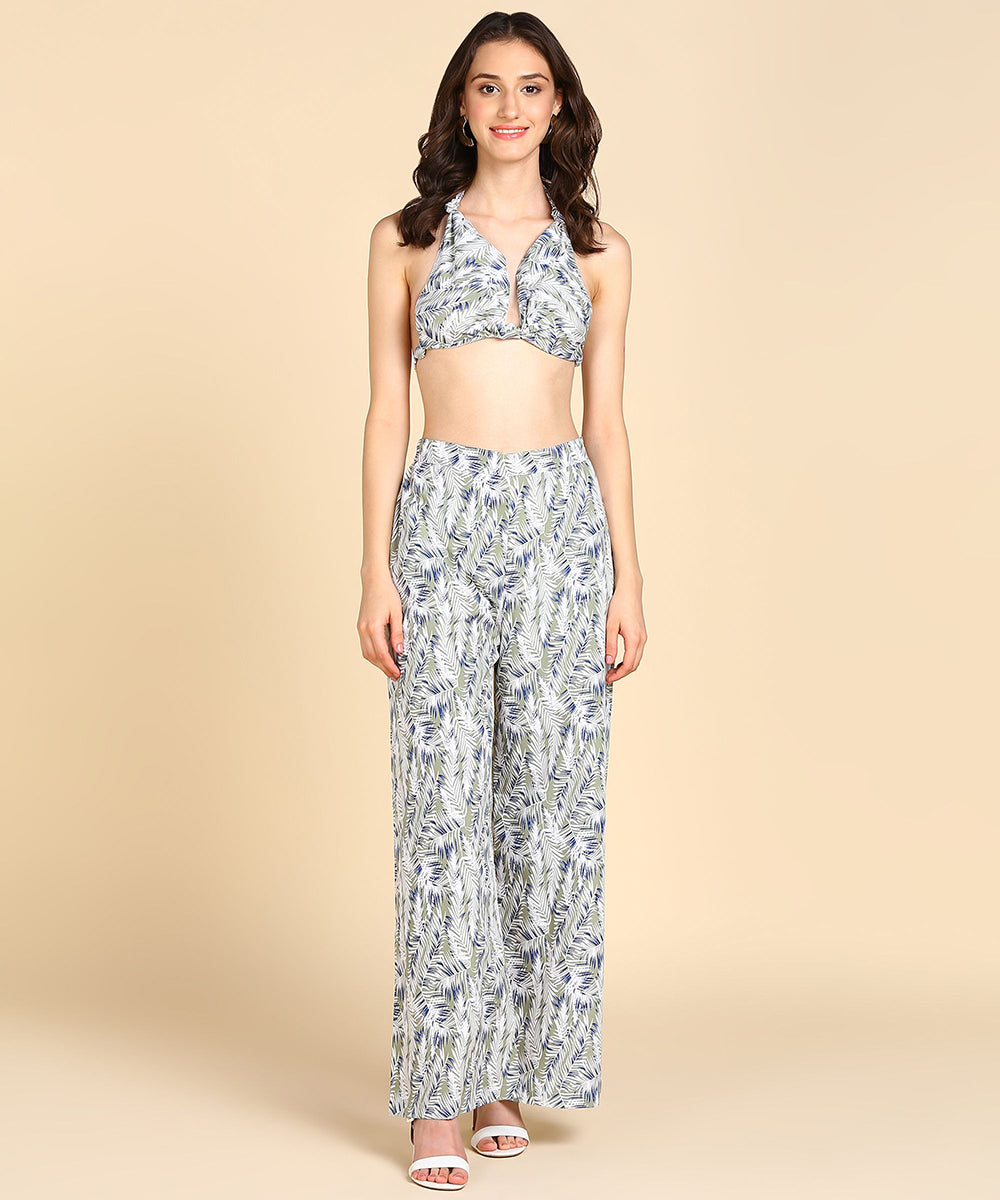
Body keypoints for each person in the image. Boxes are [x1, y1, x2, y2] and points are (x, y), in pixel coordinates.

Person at [358, 12, 646, 1190]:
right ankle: (435, 1092)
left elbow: (606, 422)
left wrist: (629, 577)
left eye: (531, 87)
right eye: (489, 87)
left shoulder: (600, 250)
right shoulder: (406, 240)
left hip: (560, 531)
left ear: (558, 103)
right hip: (441, 521)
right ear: (462, 106)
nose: (511, 107)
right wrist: (373, 567)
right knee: (441, 808)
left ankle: (500, 1078)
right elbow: (386, 409)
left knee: (544, 806)